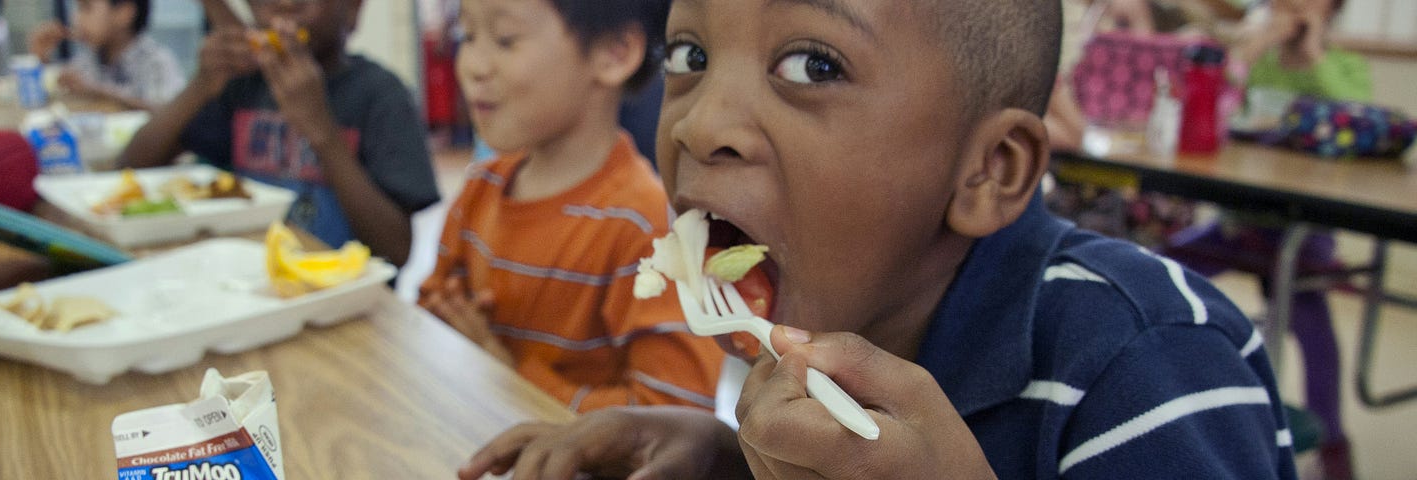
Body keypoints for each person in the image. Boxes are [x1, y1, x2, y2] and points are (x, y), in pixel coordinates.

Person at [457, 0, 1296, 478]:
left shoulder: (1144, 362)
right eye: (691, 52)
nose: (701, 121)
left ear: (989, 171)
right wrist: (722, 466)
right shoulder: (835, 325)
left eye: (813, 66)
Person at [418, 0, 723, 413]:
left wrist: (506, 374)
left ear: (614, 53)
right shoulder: (481, 185)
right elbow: (433, 309)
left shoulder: (647, 229)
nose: (473, 64)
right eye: (467, 36)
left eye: (505, 40)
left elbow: (673, 417)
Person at [1165, 1, 1366, 478]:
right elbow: (1216, 105)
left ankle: (1332, 439)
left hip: (1300, 231)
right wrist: (1250, 53)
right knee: (1161, 268)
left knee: (1312, 325)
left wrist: (1313, 51)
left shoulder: (1344, 66)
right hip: (1238, 222)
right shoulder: (1261, 61)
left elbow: (1352, 116)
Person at [119, 0, 439, 267]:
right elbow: (130, 167)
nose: (285, 4)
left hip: (348, 304)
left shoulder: (383, 97)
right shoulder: (242, 83)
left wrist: (322, 131)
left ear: (354, 9)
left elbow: (396, 251)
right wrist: (200, 86)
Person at [28, 0, 187, 110]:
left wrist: (98, 92)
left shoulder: (156, 61)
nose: (75, 18)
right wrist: (42, 59)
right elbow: (58, 98)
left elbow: (169, 112)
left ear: (124, 13)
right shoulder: (89, 57)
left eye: (86, 8)